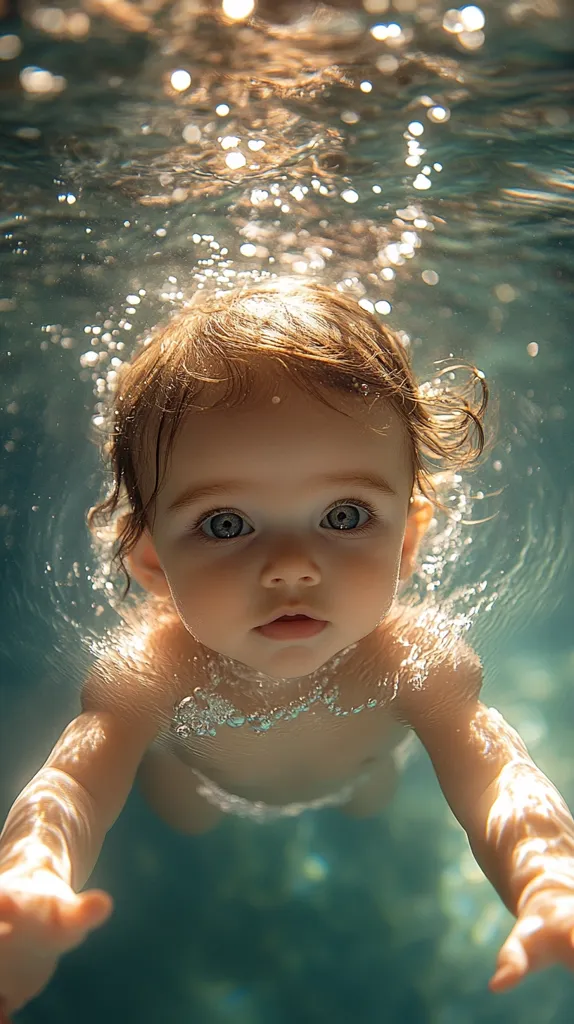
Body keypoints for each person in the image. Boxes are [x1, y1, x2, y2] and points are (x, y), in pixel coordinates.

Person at [1, 278, 573, 1015]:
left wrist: (550, 880)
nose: (293, 565)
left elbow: (497, 779)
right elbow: (76, 786)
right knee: (186, 812)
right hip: (202, 782)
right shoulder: (156, 666)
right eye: (226, 524)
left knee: (371, 797)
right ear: (149, 564)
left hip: (358, 770)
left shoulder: (414, 660)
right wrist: (32, 879)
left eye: (344, 513)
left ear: (407, 540)